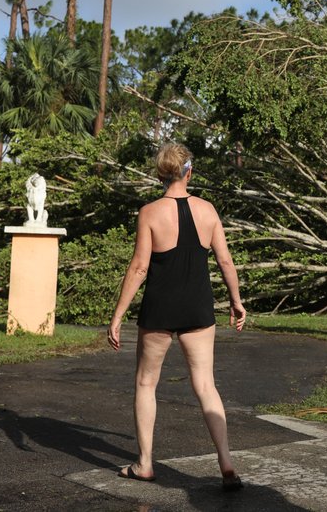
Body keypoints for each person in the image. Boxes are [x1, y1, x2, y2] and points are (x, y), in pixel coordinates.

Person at [108, 142, 247, 491]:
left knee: (145, 383)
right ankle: (227, 463)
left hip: (159, 309)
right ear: (190, 171)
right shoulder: (208, 210)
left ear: (160, 173)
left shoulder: (149, 212)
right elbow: (226, 262)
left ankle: (144, 464)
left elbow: (140, 268)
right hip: (199, 308)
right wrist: (237, 300)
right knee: (205, 385)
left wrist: (117, 316)